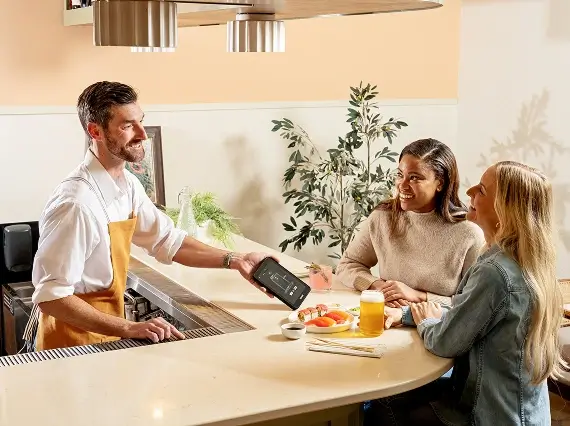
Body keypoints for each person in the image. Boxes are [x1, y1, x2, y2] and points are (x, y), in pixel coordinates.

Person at [25, 81, 275, 352]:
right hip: (70, 346)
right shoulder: (77, 204)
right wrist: (129, 328)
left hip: (105, 335)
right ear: (95, 131)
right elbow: (51, 296)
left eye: (141, 121)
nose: (142, 133)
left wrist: (236, 260)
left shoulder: (127, 184)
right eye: (127, 125)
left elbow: (167, 240)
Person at [372, 161, 564, 425]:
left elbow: (444, 342)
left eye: (482, 190)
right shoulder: (528, 263)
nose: (470, 191)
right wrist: (406, 314)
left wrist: (425, 321)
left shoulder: (495, 273)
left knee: (383, 404)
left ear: (505, 211)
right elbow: (470, 313)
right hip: (525, 413)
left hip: (487, 414)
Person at [336, 138, 485, 307]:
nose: (402, 185)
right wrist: (378, 287)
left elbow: (473, 305)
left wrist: (418, 296)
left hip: (437, 329)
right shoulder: (383, 216)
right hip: (387, 322)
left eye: (414, 178)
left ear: (440, 183)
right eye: (400, 175)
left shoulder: (468, 233)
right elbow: (348, 265)